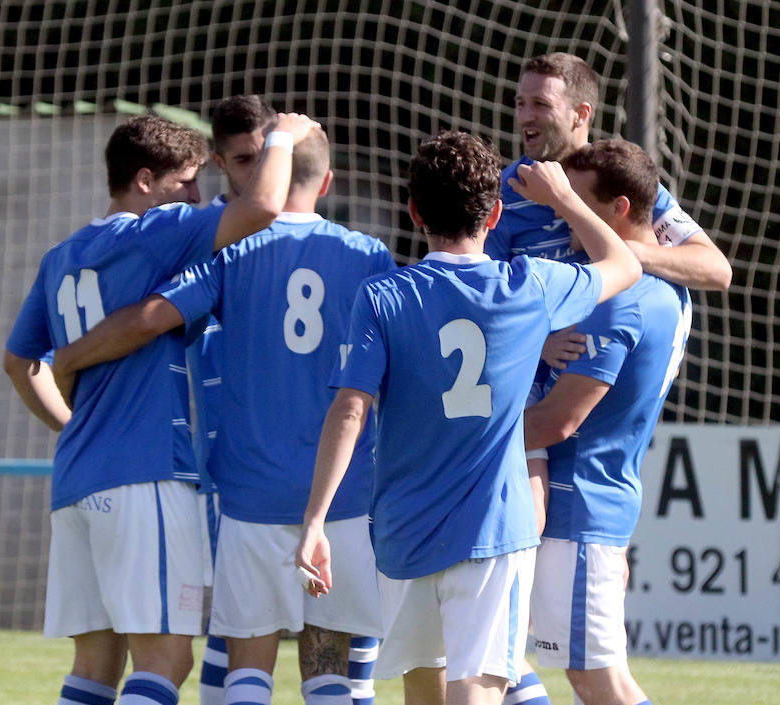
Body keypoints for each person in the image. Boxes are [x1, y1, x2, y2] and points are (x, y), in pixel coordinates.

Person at [50, 124, 395, 705]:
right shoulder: (368, 255)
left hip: (249, 494)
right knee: (331, 671)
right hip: (343, 493)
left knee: (246, 672)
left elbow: (151, 317)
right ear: (329, 181)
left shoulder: (231, 253)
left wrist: (71, 358)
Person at [294, 130, 642, 705]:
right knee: (476, 691)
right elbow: (622, 263)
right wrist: (565, 200)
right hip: (493, 532)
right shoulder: (530, 284)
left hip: (404, 530)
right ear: (497, 211)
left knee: (422, 691)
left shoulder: (382, 296)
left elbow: (350, 408)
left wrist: (315, 521)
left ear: (414, 212)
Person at [3, 111, 319, 705]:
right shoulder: (154, 231)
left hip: (76, 481)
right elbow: (263, 208)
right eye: (187, 183)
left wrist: (71, 426)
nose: (199, 198)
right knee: (167, 661)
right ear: (145, 180)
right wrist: (284, 135)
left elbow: (18, 364)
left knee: (94, 666)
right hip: (144, 475)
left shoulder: (62, 256)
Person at [522, 139, 692, 705]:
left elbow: (559, 422)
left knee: (598, 681)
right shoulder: (663, 290)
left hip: (578, 504)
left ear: (618, 209)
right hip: (594, 501)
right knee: (514, 657)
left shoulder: (624, 299)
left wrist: (455, 434)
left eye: (575, 200)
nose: (560, 212)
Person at [487, 52, 729, 375]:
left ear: (581, 114)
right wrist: (539, 343)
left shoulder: (619, 177)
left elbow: (717, 270)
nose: (525, 117)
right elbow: (482, 296)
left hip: (616, 381)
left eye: (541, 105)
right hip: (535, 391)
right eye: (521, 103)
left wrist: (625, 254)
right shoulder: (504, 194)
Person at [191, 94, 278, 705]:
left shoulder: (314, 235)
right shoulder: (201, 236)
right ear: (221, 162)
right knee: (231, 627)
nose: (258, 171)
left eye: (266, 155)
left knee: (348, 637)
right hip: (227, 458)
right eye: (245, 160)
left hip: (310, 459)